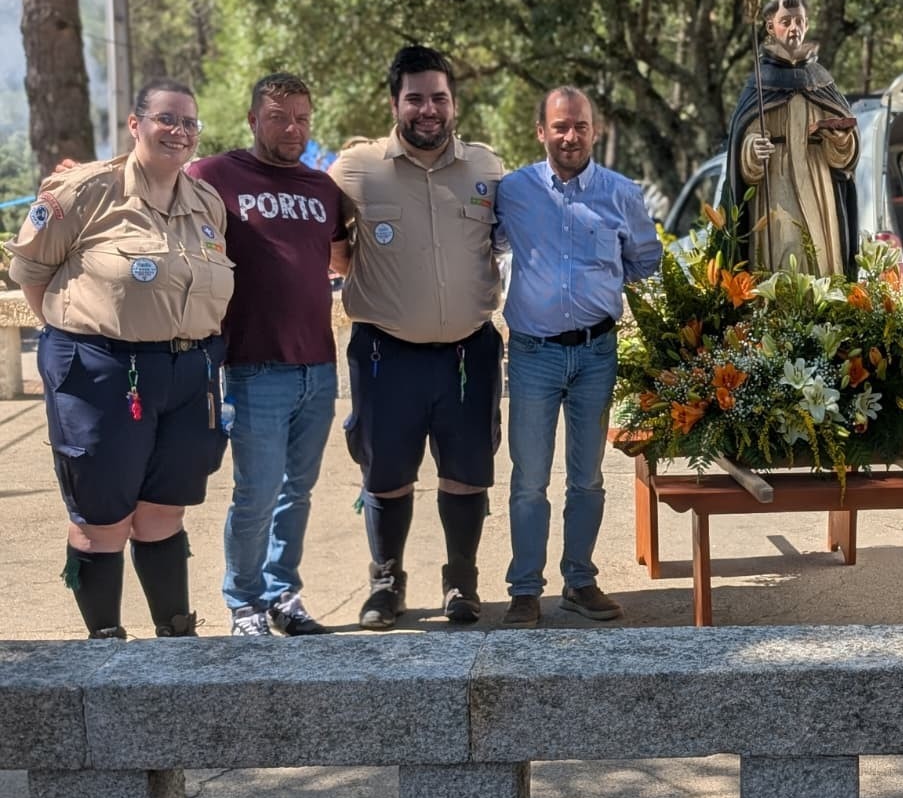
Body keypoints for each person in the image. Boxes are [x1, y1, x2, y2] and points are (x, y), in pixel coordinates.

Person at [7, 79, 231, 638]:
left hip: (188, 374)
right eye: (166, 119)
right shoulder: (85, 191)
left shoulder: (206, 203)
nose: (179, 131)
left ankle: (173, 637)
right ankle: (104, 643)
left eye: (189, 122)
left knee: (163, 512)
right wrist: (83, 331)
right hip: (103, 374)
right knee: (103, 520)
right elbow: (31, 273)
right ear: (135, 125)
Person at [330, 45, 505, 630]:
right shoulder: (356, 168)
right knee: (386, 474)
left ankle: (462, 582)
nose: (428, 110)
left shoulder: (487, 169)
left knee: (467, 471)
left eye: (439, 98)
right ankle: (386, 583)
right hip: (386, 354)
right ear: (394, 104)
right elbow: (326, 237)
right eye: (415, 99)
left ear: (454, 104)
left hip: (469, 353)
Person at [495, 86, 662, 627]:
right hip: (533, 355)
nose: (570, 136)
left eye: (580, 126)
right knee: (529, 479)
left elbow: (644, 260)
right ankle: (525, 590)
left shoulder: (622, 193)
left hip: (596, 354)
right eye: (560, 126)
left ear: (596, 131)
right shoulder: (513, 191)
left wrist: (600, 287)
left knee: (587, 477)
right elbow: (490, 243)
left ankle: (580, 581)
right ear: (541, 131)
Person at [188, 73, 344, 637]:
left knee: (297, 490)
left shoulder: (323, 188)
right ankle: (244, 602)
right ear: (253, 119)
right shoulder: (213, 175)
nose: (292, 128)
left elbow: (342, 258)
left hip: (319, 366)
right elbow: (152, 186)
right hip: (254, 366)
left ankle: (282, 594)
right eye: (279, 117)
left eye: (301, 118)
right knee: (256, 492)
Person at [723, 0, 859, 275]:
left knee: (823, 256)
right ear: (770, 27)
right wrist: (752, 150)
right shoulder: (760, 82)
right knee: (785, 249)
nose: (794, 28)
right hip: (776, 181)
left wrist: (841, 141)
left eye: (799, 21)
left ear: (807, 24)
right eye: (786, 22)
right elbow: (743, 136)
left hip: (819, 182)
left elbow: (847, 149)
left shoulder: (821, 80)